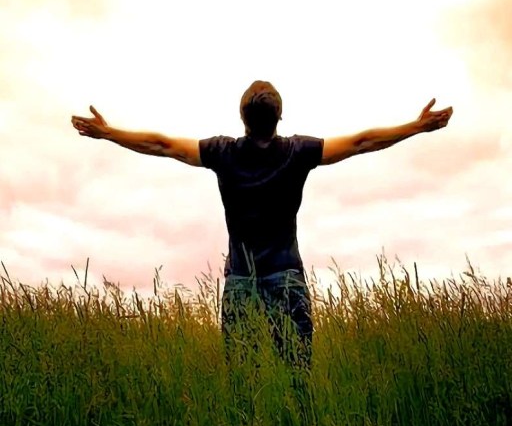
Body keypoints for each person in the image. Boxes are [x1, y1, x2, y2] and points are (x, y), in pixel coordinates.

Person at [71, 81, 453, 365]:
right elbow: (361, 142)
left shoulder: (222, 152)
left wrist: (108, 133)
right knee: (297, 379)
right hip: (287, 279)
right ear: (280, 117)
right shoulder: (298, 151)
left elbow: (162, 145)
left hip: (241, 283)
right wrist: (416, 126)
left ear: (242, 118)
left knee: (244, 384)